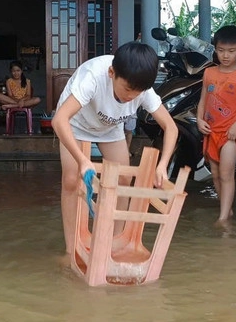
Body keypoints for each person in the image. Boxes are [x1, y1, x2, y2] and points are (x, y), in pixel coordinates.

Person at [52, 42, 178, 255]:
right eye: (128, 89)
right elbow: (59, 120)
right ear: (112, 73)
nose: (131, 96)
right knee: (72, 181)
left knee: (123, 180)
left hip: (109, 127)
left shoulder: (143, 91)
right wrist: (83, 160)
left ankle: (115, 243)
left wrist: (162, 165)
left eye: (138, 92)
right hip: (75, 123)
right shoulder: (93, 77)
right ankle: (71, 249)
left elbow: (171, 128)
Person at [196, 25, 236, 227]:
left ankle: (222, 219)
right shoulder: (209, 73)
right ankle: (226, 210)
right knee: (214, 173)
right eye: (221, 50)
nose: (225, 55)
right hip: (211, 131)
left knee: (226, 174)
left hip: (231, 134)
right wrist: (199, 119)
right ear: (215, 49)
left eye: (231, 51)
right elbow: (203, 100)